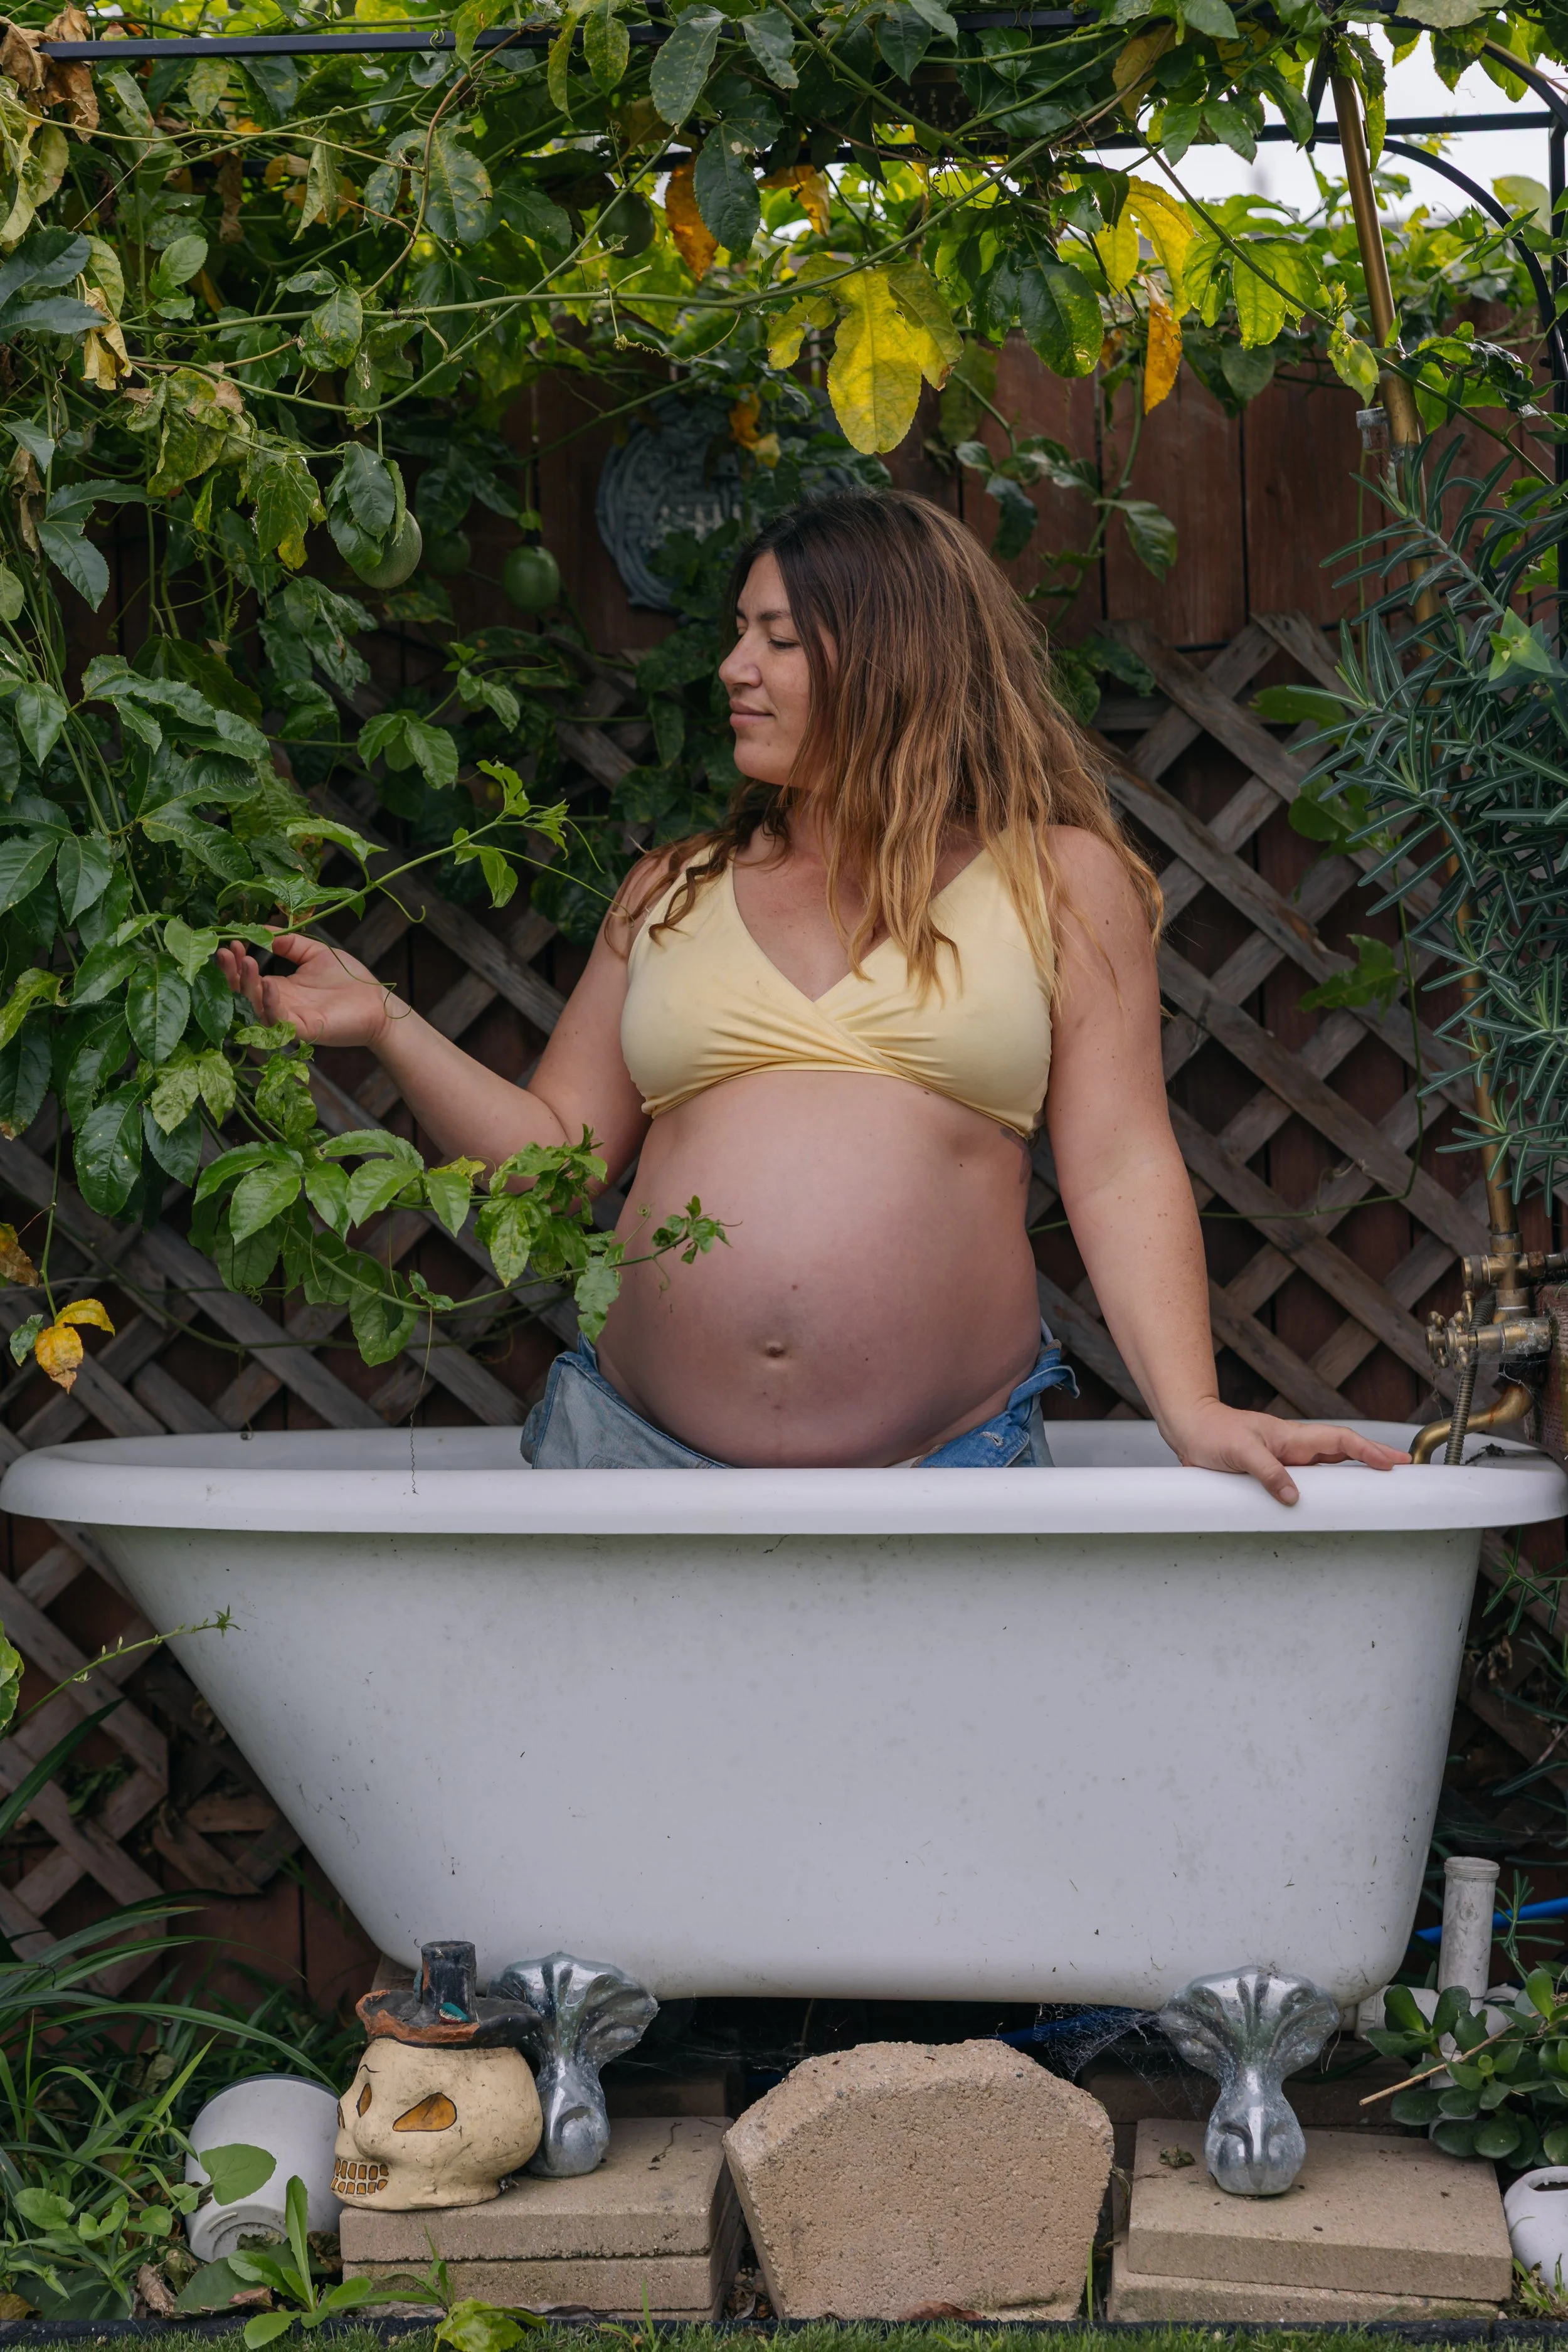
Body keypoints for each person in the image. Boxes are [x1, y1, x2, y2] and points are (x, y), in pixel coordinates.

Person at [218, 489, 1408, 1498]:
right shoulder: (671, 889)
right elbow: (553, 1162)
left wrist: (1190, 1409)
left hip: (951, 1470)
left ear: (889, 655)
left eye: (777, 639)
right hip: (629, 1459)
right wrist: (387, 1021)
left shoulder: (1058, 880)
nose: (734, 668)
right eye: (741, 632)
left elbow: (1120, 1164)